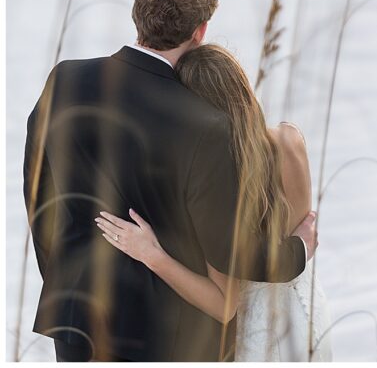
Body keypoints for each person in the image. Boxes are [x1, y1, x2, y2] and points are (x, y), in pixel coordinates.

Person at [23, 0, 317, 361]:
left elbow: (39, 194)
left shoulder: (65, 80)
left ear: (137, 14)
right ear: (200, 31)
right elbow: (233, 251)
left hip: (77, 320)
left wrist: (65, 275)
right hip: (166, 337)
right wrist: (299, 248)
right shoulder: (206, 126)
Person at [97, 44, 333, 361]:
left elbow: (224, 306)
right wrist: (301, 249)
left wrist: (151, 255)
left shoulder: (221, 181)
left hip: (264, 337)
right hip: (310, 318)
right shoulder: (289, 139)